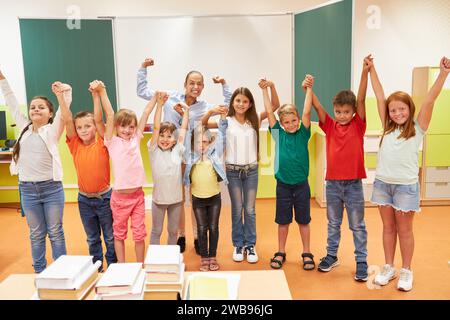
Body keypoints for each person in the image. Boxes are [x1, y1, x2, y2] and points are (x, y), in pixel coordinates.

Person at [369, 56, 450, 291]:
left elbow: (430, 100)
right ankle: (388, 266)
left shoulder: (417, 127)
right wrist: (372, 69)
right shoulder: (387, 126)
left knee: (404, 230)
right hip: (383, 184)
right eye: (393, 110)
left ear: (409, 109)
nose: (396, 113)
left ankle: (406, 270)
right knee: (387, 228)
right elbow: (380, 93)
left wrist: (444, 73)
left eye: (401, 109)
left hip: (405, 187)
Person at [137, 58, 232, 253]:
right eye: (192, 83)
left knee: (193, 196)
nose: (195, 87)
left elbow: (229, 107)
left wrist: (224, 84)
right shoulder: (170, 97)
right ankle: (180, 235)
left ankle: (198, 236)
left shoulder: (204, 106)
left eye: (199, 84)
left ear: (203, 87)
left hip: (191, 156)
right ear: (185, 84)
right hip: (170, 155)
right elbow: (142, 92)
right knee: (177, 198)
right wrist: (143, 68)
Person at [308, 55, 372, 281]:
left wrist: (365, 72)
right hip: (333, 184)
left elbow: (362, 98)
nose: (342, 116)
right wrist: (309, 88)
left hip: (353, 185)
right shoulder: (330, 126)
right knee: (333, 223)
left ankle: (361, 261)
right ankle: (331, 256)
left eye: (346, 112)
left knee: (357, 225)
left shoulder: (358, 124)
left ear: (353, 111)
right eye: (338, 112)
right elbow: (316, 105)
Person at [202, 81, 280, 264]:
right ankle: (238, 244)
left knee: (250, 210)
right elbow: (203, 124)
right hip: (233, 172)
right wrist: (211, 112)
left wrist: (271, 86)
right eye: (237, 100)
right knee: (237, 210)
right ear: (232, 103)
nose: (240, 104)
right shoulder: (226, 121)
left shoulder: (255, 119)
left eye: (245, 101)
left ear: (250, 104)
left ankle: (250, 245)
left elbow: (275, 106)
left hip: (251, 170)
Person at [0, 69, 68, 273]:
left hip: (51, 189)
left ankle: (62, 270)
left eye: (41, 107)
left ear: (50, 114)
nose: (35, 110)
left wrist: (61, 96)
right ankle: (39, 271)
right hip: (28, 190)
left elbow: (65, 115)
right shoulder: (23, 128)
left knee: (56, 232)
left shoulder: (53, 130)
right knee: (36, 234)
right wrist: (3, 78)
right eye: (32, 107)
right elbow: (11, 101)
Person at [94, 80, 159, 263]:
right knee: (119, 234)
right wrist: (102, 91)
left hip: (138, 196)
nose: (128, 130)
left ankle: (141, 266)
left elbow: (146, 113)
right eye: (123, 126)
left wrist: (155, 98)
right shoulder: (111, 141)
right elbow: (109, 114)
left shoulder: (136, 138)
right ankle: (122, 266)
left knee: (139, 235)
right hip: (120, 199)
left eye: (131, 126)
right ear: (116, 127)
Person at [56, 80, 117, 271]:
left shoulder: (103, 143)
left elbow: (103, 117)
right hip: (84, 200)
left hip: (105, 198)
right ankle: (97, 268)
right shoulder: (74, 144)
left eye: (87, 126)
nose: (83, 130)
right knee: (92, 238)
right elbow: (67, 119)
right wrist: (60, 96)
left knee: (109, 236)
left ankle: (113, 266)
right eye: (80, 127)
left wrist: (96, 95)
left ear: (94, 127)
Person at [262, 77, 315, 270]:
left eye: (294, 120)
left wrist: (309, 88)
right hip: (283, 185)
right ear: (282, 124)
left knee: (303, 221)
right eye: (287, 122)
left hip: (301, 185)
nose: (291, 124)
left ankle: (307, 252)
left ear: (299, 120)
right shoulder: (278, 134)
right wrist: (264, 91)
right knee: (283, 222)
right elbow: (269, 111)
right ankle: (281, 251)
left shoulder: (303, 133)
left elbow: (308, 110)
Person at [184, 114, 228, 271]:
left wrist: (223, 118)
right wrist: (186, 113)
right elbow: (185, 133)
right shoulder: (190, 156)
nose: (201, 145)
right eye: (198, 142)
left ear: (210, 143)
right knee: (202, 228)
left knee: (213, 227)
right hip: (198, 199)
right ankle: (204, 257)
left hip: (214, 198)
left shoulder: (214, 155)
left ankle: (212, 256)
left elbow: (223, 134)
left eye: (204, 142)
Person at [148, 92, 189, 245]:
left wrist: (187, 111)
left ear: (174, 139)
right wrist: (159, 105)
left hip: (176, 200)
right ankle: (154, 258)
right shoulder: (153, 150)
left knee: (173, 231)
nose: (165, 139)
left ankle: (170, 258)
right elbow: (157, 126)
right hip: (159, 200)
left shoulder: (178, 149)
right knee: (156, 231)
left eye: (169, 136)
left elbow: (183, 129)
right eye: (162, 136)